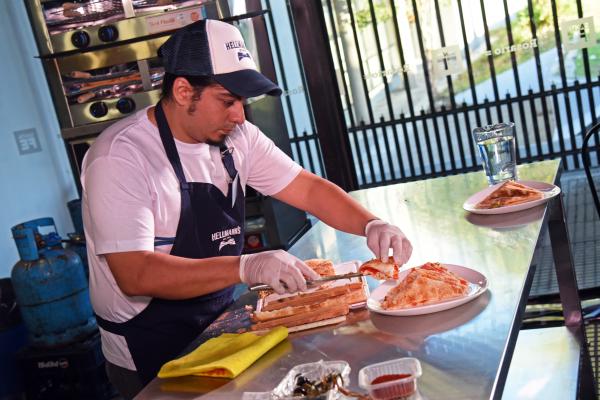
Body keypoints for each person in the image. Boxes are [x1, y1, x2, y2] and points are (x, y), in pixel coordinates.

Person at [81, 18, 412, 399]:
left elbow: (307, 188)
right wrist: (246, 265)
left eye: (242, 102)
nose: (239, 115)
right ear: (184, 91)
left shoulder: (238, 137)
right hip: (151, 346)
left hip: (223, 322)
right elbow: (135, 273)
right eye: (227, 100)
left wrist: (371, 223)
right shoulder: (120, 157)